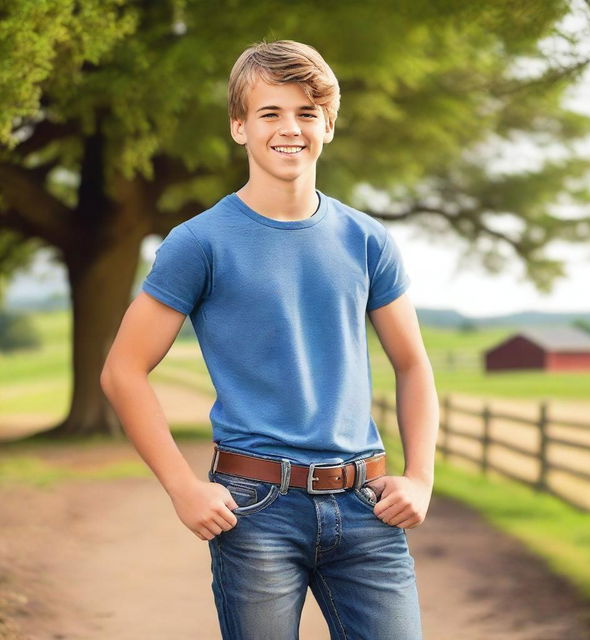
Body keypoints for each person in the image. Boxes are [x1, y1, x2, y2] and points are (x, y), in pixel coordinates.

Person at [101, 38, 439, 640]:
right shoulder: (197, 243)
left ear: (328, 126)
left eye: (307, 113)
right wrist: (183, 489)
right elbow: (122, 370)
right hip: (254, 508)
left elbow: (412, 364)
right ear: (239, 126)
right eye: (270, 113)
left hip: (367, 504)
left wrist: (421, 477)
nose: (291, 128)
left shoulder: (367, 240)